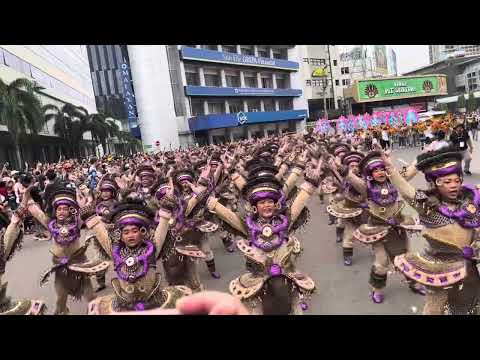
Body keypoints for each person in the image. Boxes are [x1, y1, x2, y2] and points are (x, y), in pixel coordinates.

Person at [386, 146, 480, 314]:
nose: (453, 186)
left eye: (457, 181)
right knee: (433, 309)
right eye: (447, 182)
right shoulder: (428, 206)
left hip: (468, 266)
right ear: (436, 183)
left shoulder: (470, 203)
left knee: (469, 305)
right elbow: (408, 192)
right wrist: (391, 170)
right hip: (439, 268)